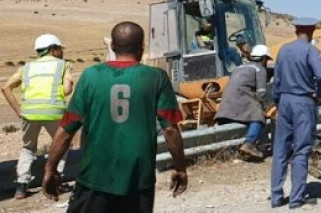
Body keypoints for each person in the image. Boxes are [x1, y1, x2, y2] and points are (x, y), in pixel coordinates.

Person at [41, 22, 188, 212]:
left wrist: (50, 169)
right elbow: (170, 129)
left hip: (94, 177)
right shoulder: (157, 77)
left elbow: (67, 129)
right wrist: (180, 168)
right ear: (142, 47)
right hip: (138, 179)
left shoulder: (90, 76)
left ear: (112, 46)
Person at [1, 34, 73, 200]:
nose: (62, 52)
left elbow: (5, 88)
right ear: (53, 50)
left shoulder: (26, 68)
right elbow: (67, 90)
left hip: (29, 113)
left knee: (28, 148)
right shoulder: (63, 65)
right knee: (61, 145)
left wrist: (18, 110)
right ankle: (56, 181)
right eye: (60, 49)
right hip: (54, 111)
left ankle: (21, 186)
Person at [270, 17, 321, 209]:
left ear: (296, 30)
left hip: (285, 100)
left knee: (280, 149)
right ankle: (296, 198)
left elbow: (277, 79)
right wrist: (319, 94)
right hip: (303, 101)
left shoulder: (284, 50)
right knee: (301, 150)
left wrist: (278, 101)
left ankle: (276, 196)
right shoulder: (311, 50)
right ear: (312, 31)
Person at [215, 44, 272, 161]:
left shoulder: (239, 68)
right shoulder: (259, 69)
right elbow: (261, 93)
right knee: (258, 115)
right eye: (266, 60)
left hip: (226, 105)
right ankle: (249, 143)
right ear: (263, 59)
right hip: (242, 100)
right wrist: (264, 108)